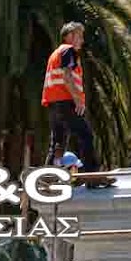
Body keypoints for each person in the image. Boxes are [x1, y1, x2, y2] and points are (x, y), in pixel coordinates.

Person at [41, 22, 100, 175]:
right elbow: (67, 76)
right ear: (70, 36)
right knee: (85, 134)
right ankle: (92, 175)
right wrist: (78, 100)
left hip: (54, 103)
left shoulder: (56, 53)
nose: (81, 40)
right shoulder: (68, 50)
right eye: (79, 36)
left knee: (58, 143)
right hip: (65, 101)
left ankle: (47, 177)